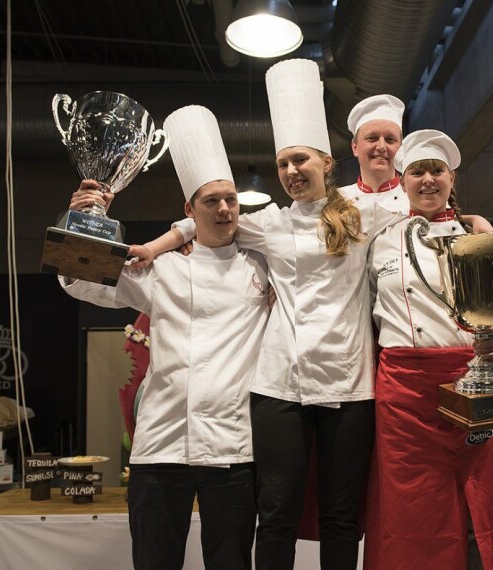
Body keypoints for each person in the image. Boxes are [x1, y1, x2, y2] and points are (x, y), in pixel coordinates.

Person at [134, 59, 401, 569]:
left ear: (325, 161)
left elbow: (428, 214)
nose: (291, 172)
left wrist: (474, 219)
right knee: (276, 512)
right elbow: (207, 219)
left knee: (342, 515)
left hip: (350, 383)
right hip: (280, 385)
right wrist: (155, 245)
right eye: (283, 165)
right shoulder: (269, 223)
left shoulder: (365, 214)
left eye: (300, 160)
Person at [60, 105, 268, 570]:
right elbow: (79, 280)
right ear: (189, 211)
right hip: (160, 446)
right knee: (154, 561)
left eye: (231, 199)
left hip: (233, 446)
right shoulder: (161, 269)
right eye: (210, 200)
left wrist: (168, 237)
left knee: (231, 562)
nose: (224, 208)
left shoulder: (262, 267)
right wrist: (82, 222)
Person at [365, 129, 493, 570]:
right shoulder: (377, 239)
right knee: (412, 503)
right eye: (417, 171)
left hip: (471, 380)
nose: (427, 180)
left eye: (436, 171)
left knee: (489, 496)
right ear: (401, 180)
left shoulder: (479, 235)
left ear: (452, 179)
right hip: (403, 390)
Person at [338, 94, 408, 213]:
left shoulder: (417, 200)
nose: (381, 146)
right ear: (355, 147)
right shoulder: (336, 202)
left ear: (401, 148)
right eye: (372, 138)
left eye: (390, 139)